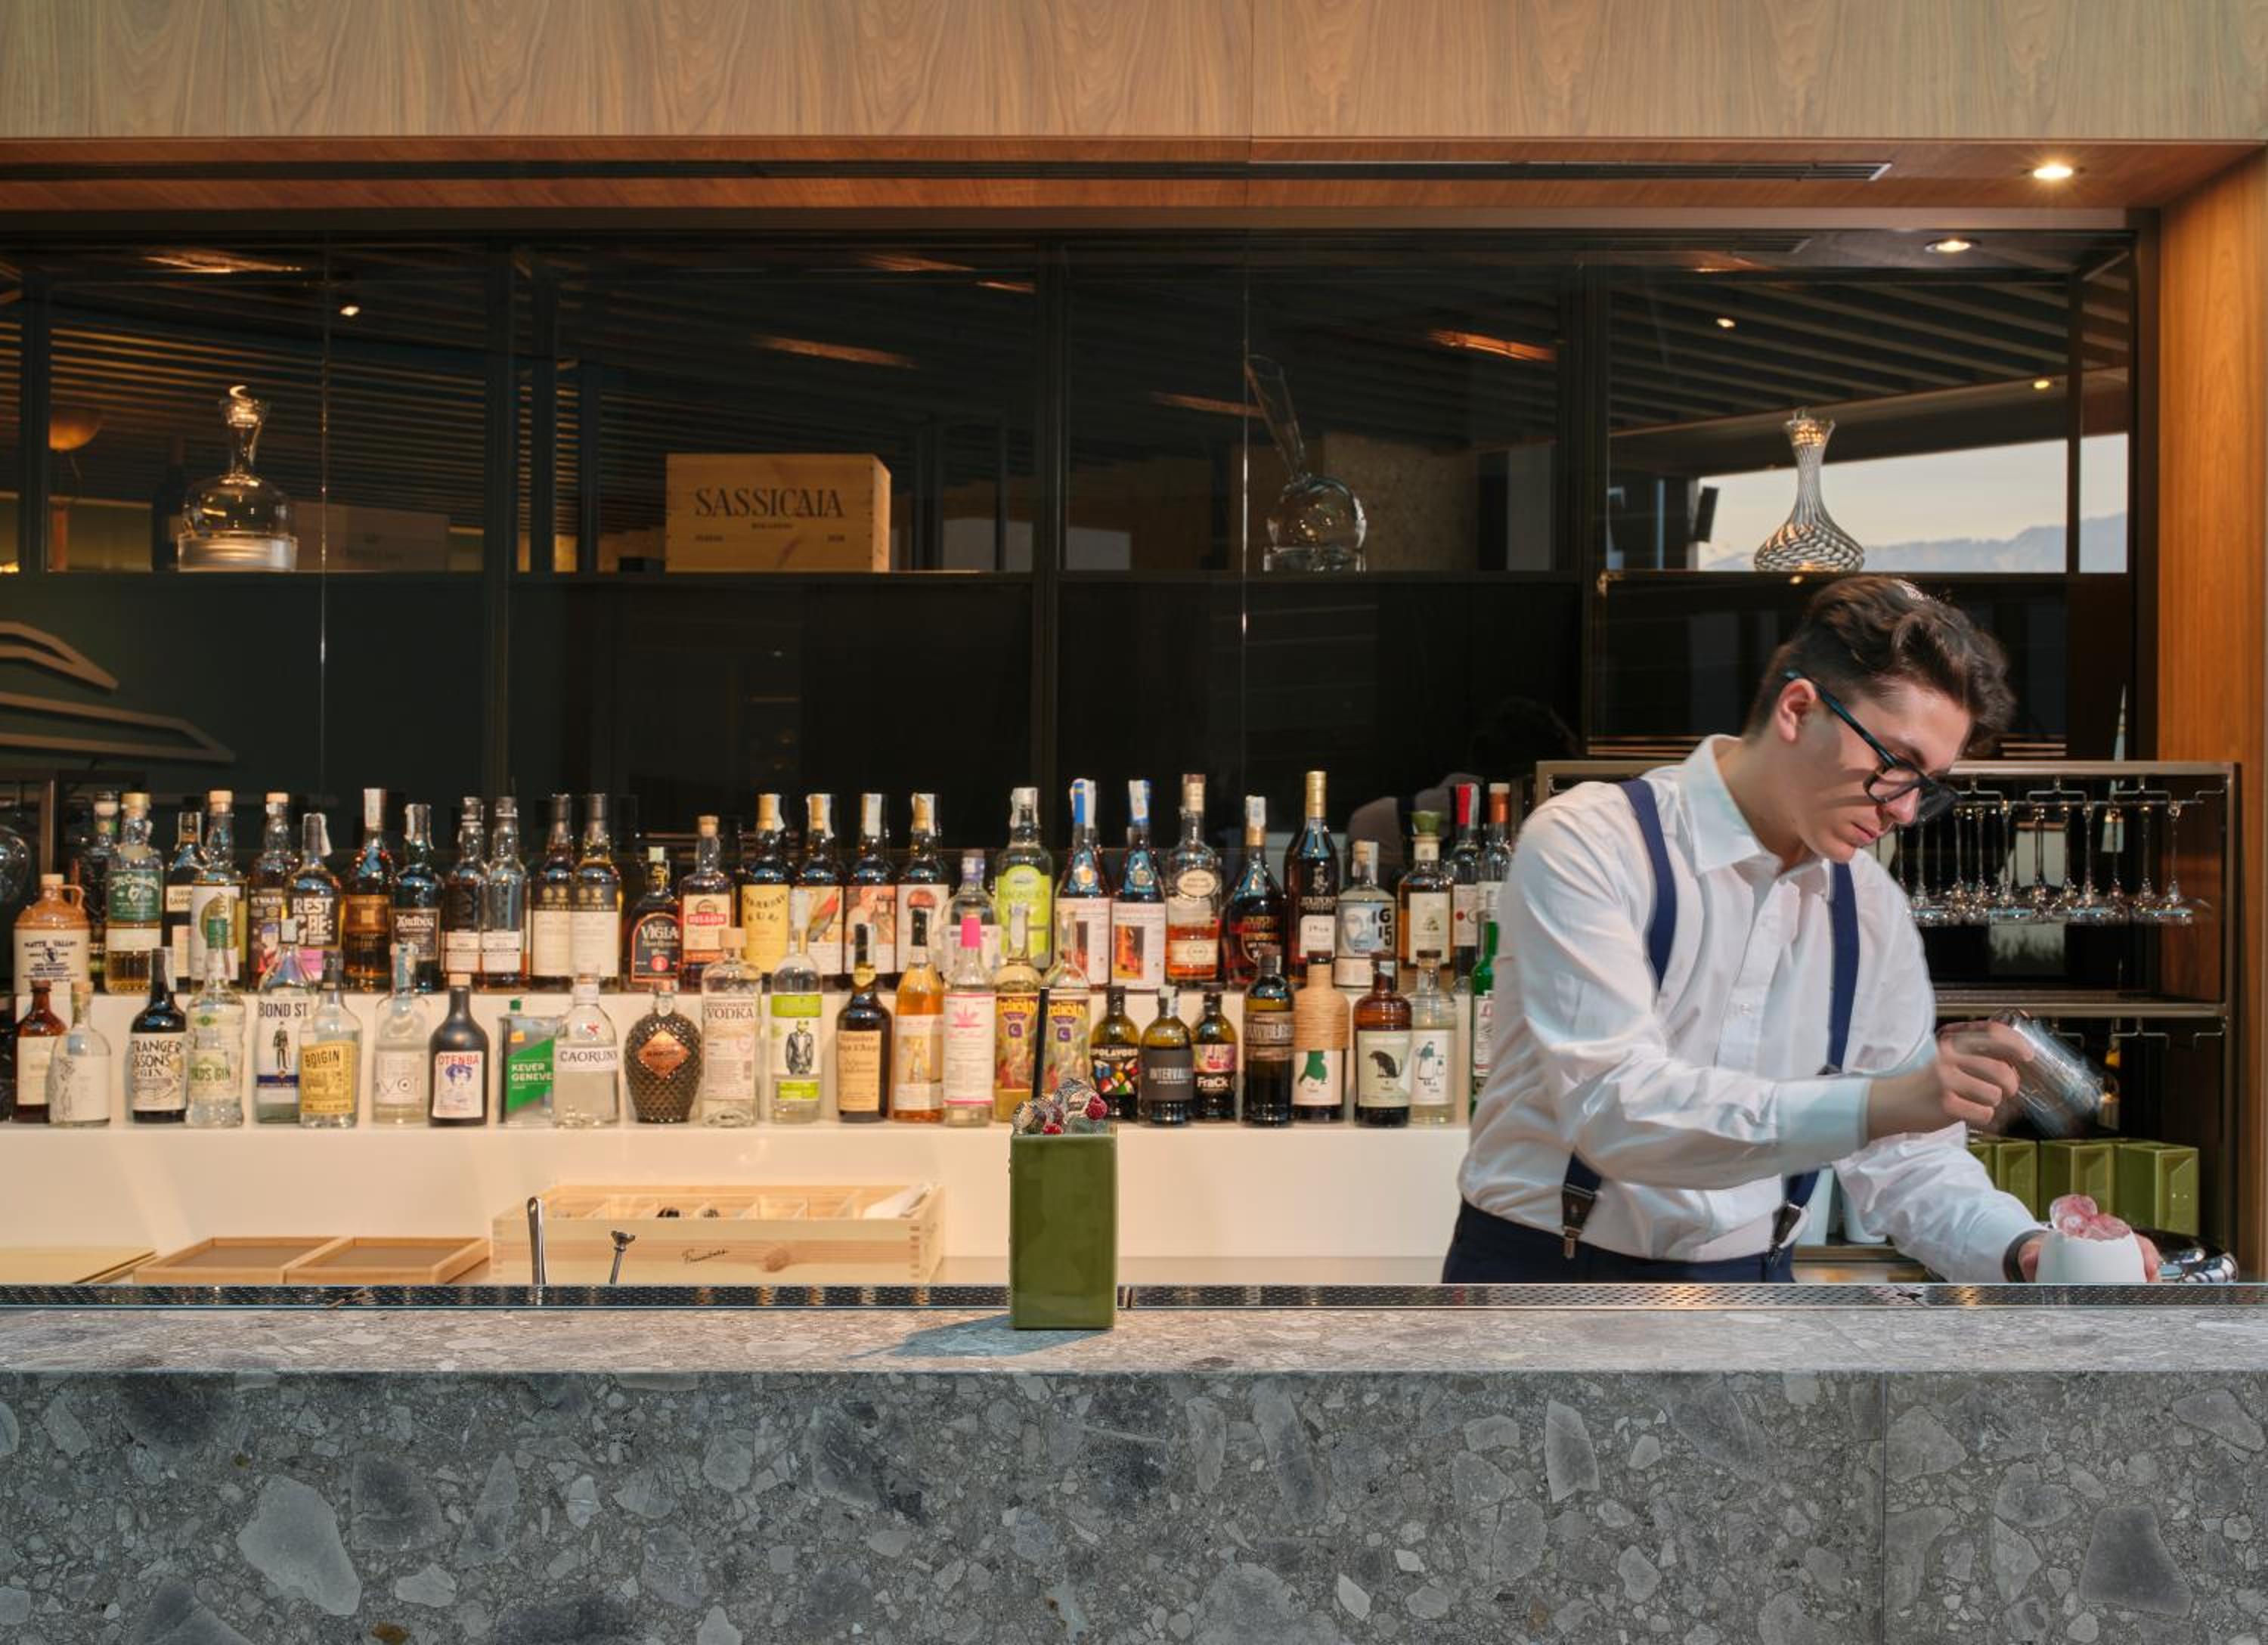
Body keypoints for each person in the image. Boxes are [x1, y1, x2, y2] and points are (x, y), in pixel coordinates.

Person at [1447, 576, 2157, 1285]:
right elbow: (1616, 1110)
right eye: (1897, 765)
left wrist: (2023, 1249)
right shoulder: (1593, 842)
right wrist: (1878, 1103)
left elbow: (1911, 1162)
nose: (1906, 812)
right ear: (1797, 710)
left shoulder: (1871, 908)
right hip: (1545, 1278)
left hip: (1755, 1289)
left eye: (1929, 784)